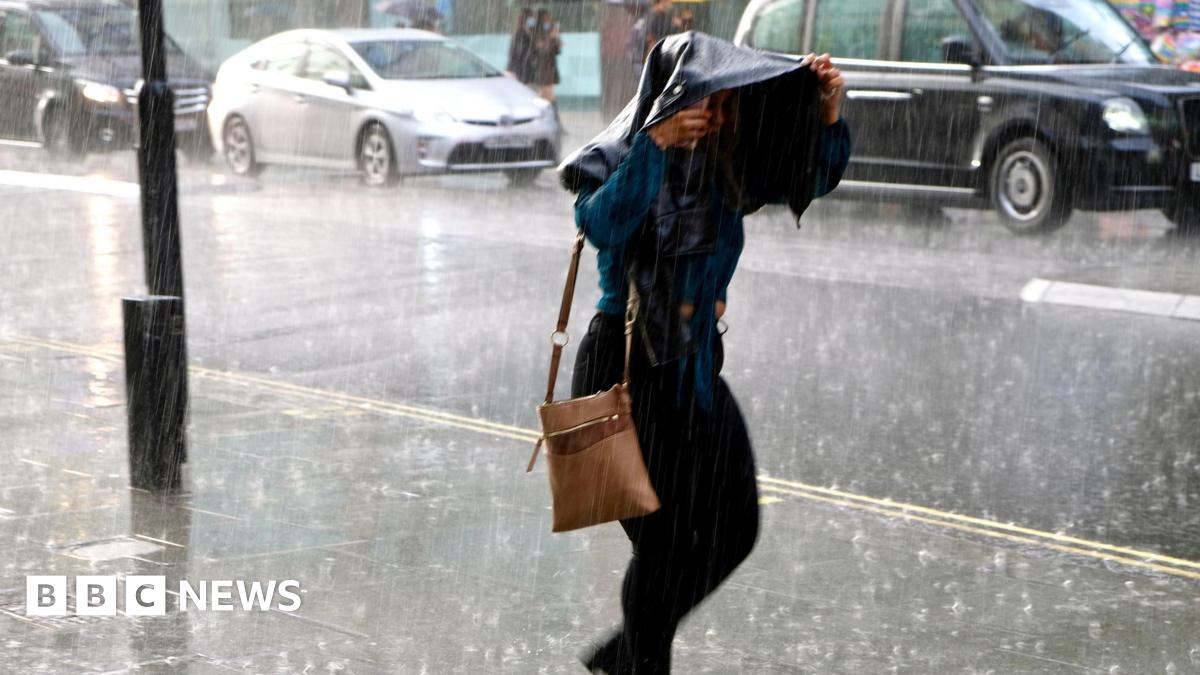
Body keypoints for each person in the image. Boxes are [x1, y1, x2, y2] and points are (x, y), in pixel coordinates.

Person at [559, 33, 851, 675]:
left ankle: (627, 653)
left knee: (736, 526)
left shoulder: (726, 164)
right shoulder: (621, 154)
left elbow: (808, 175)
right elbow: (600, 224)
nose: (714, 115)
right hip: (625, 371)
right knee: (664, 548)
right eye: (701, 101)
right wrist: (656, 147)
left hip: (692, 367)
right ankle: (642, 659)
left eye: (723, 103)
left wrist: (828, 111)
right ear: (667, 98)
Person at [532, 9, 563, 112]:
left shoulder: (548, 31)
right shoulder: (537, 31)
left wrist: (557, 42)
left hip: (549, 66)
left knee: (546, 92)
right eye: (546, 17)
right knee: (546, 92)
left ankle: (548, 112)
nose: (548, 20)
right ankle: (550, 113)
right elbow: (541, 49)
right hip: (542, 66)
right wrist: (551, 37)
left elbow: (553, 49)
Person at [506, 8, 536, 85]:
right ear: (525, 18)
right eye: (531, 17)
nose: (534, 19)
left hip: (526, 68)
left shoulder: (530, 32)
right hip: (520, 69)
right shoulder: (520, 33)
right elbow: (518, 51)